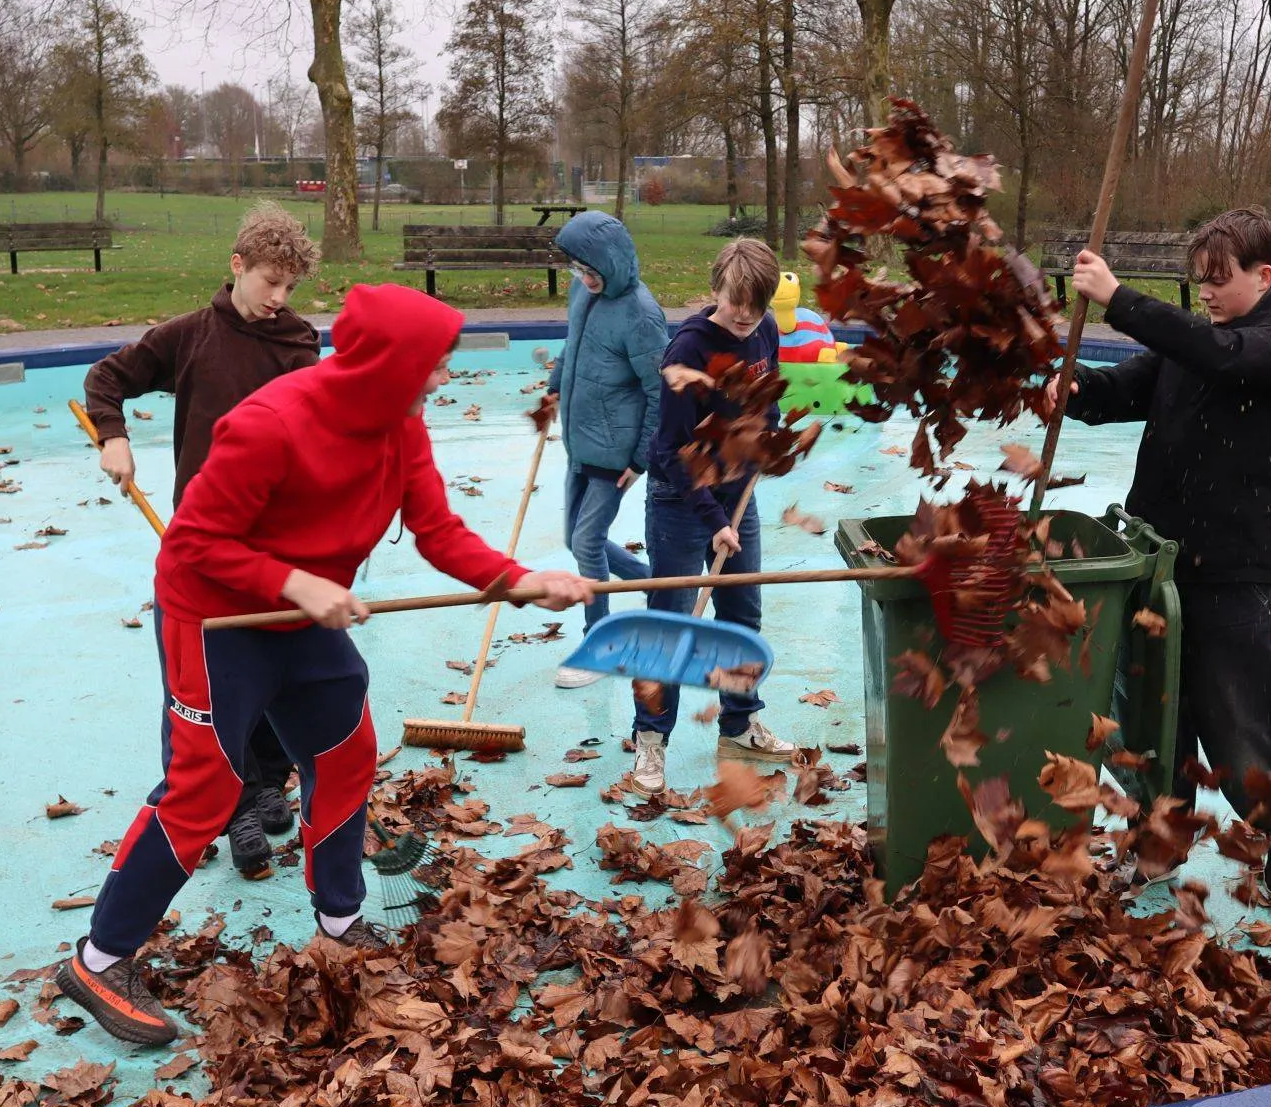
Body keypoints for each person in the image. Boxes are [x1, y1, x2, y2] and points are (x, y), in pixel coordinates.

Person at [57, 284, 595, 1046]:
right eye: (435, 365)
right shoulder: (271, 424)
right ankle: (100, 959)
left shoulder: (400, 425)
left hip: (302, 615)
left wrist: (520, 580)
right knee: (204, 788)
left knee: (346, 751)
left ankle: (340, 921)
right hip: (217, 617)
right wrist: (296, 582)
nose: (444, 378)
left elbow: (437, 529)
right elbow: (192, 543)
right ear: (389, 365)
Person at [1056, 207, 1271, 898]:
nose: (1206, 293)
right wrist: (1077, 389)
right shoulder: (1198, 341)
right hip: (1157, 557)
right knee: (1150, 710)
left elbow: (1217, 355)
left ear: (1264, 276)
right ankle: (1160, 840)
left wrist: (1118, 298)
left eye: (1219, 279)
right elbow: (1129, 386)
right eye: (1199, 280)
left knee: (1239, 710)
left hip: (1231, 567)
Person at [83, 201, 321, 882]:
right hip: (204, 543)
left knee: (272, 665)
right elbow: (106, 379)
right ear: (237, 265)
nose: (278, 298)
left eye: (290, 287)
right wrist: (113, 437)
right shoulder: (189, 337)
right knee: (213, 680)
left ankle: (269, 777)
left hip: (275, 540)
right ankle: (236, 801)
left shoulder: (299, 344)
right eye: (270, 281)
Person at [623, 239, 799, 796]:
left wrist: (768, 438)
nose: (746, 315)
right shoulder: (688, 350)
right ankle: (651, 739)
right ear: (716, 287)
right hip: (680, 500)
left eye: (757, 303)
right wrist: (711, 517)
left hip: (736, 493)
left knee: (742, 615)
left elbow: (765, 400)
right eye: (736, 301)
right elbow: (671, 448)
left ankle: (739, 726)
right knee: (671, 624)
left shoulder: (764, 328)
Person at [548, 211, 666, 689]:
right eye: (576, 268)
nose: (583, 277)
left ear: (612, 261)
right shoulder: (584, 292)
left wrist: (640, 459)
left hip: (617, 452)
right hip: (581, 440)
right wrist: (554, 386)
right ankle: (652, 581)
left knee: (586, 542)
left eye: (590, 268)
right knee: (573, 538)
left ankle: (599, 647)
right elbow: (573, 345)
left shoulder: (641, 314)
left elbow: (662, 391)